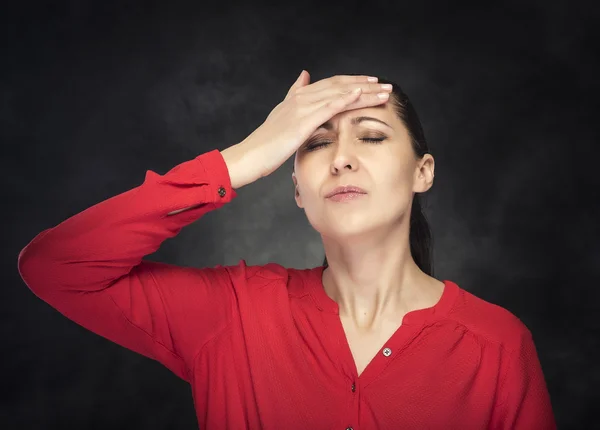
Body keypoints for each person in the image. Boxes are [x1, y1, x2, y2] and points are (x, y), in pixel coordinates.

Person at [17, 71, 556, 429]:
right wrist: (242, 158)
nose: (341, 158)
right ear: (297, 188)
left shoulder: (498, 347)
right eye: (316, 143)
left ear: (423, 172)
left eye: (370, 136)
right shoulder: (231, 314)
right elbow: (55, 266)